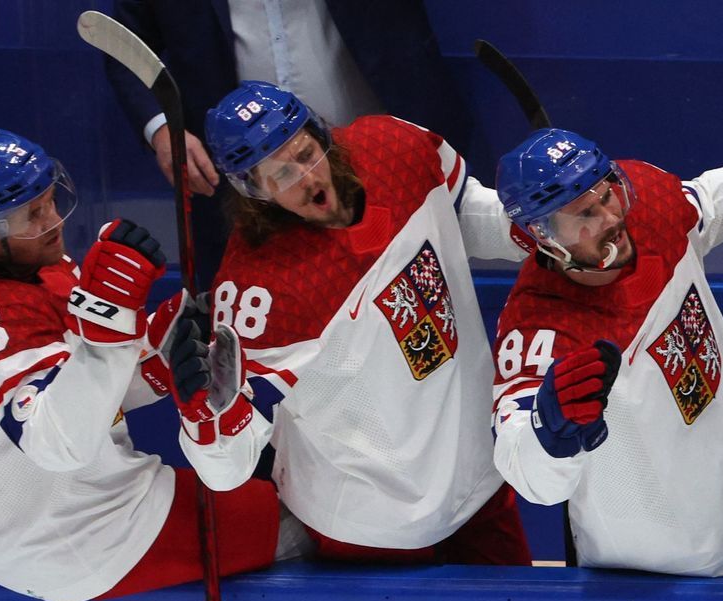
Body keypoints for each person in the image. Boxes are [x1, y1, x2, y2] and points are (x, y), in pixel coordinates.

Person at [0, 129, 281, 601]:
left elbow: (85, 387)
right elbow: (57, 445)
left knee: (261, 485)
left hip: (26, 515)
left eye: (50, 202)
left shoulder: (11, 262)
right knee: (288, 520)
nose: (53, 222)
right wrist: (110, 337)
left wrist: (158, 347)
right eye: (32, 215)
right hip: (66, 539)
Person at [173, 81, 529, 563]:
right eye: (282, 174)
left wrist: (539, 228)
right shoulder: (260, 290)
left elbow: (462, 209)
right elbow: (226, 468)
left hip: (477, 474)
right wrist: (205, 417)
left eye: (305, 154)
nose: (307, 177)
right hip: (371, 521)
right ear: (253, 191)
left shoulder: (395, 146)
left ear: (320, 133)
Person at [489, 106, 723, 575]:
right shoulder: (539, 328)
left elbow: (706, 207)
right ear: (540, 234)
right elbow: (531, 477)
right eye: (584, 214)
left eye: (608, 194)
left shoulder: (650, 205)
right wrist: (549, 435)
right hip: (654, 566)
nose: (610, 218)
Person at [101, 0, 479, 276]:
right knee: (260, 336)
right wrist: (162, 128)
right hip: (249, 191)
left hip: (374, 164)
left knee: (415, 304)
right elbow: (122, 44)